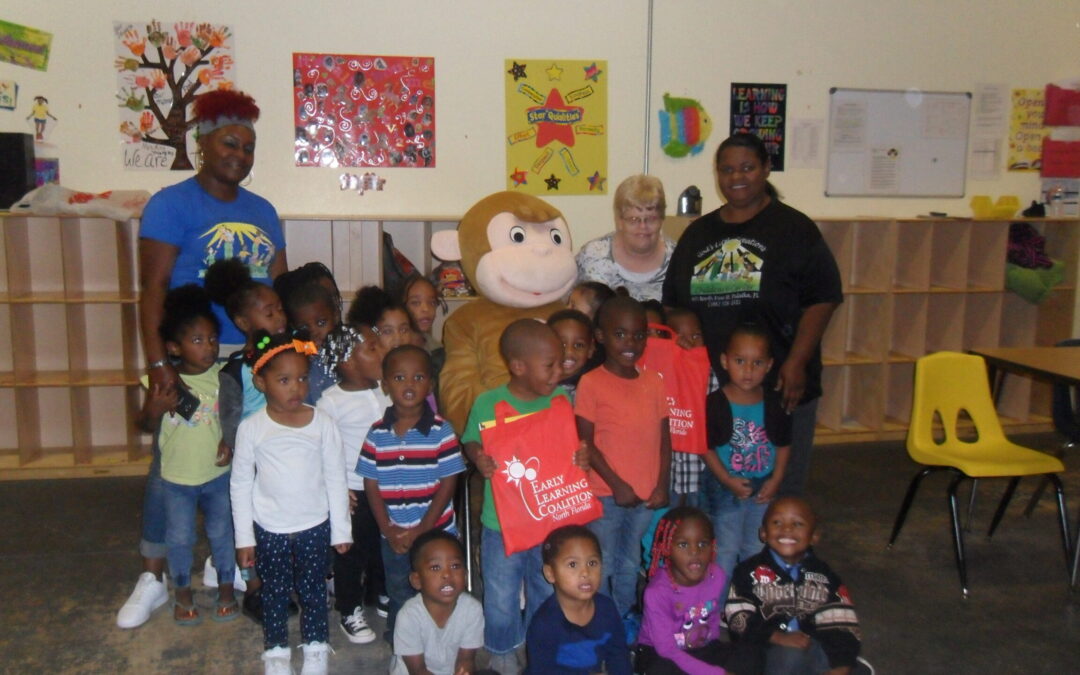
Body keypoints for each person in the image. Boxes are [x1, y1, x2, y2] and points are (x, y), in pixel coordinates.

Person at [124, 89, 287, 629]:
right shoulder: (171, 205)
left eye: (249, 145)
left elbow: (278, 288)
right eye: (230, 142)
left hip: (249, 362)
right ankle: (153, 577)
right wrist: (158, 367)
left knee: (249, 464)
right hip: (191, 361)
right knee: (171, 467)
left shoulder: (263, 211)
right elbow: (152, 291)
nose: (240, 153)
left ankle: (243, 564)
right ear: (202, 145)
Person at [662, 132, 842, 498]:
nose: (736, 177)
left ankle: (779, 554)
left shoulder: (795, 229)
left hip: (779, 383)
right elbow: (673, 301)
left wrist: (797, 362)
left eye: (747, 167)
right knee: (722, 489)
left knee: (780, 488)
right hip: (719, 390)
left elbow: (823, 298)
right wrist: (682, 320)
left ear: (766, 169)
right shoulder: (699, 234)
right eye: (726, 170)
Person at [461, 319, 589, 675]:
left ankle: (539, 643)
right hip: (501, 522)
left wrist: (582, 455)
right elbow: (471, 438)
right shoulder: (489, 402)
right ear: (518, 367)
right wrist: (478, 456)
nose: (559, 370)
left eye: (560, 361)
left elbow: (571, 446)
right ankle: (502, 647)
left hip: (550, 520)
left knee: (545, 588)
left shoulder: (561, 400)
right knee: (500, 595)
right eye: (550, 364)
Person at [231, 332, 351, 675]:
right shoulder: (252, 429)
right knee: (275, 592)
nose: (296, 388)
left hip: (315, 524)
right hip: (270, 528)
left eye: (301, 378)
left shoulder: (323, 423)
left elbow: (336, 478)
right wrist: (245, 539)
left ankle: (315, 648)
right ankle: (277, 651)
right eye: (284, 380)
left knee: (314, 590)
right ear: (261, 381)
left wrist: (341, 529)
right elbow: (240, 484)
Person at [136, 285, 236, 626]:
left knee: (223, 534)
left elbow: (233, 417)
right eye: (197, 340)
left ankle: (225, 590)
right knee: (179, 538)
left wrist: (229, 441)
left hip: (217, 476)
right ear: (174, 347)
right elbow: (145, 424)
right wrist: (157, 407)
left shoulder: (223, 376)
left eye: (212, 339)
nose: (208, 347)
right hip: (176, 480)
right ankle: (182, 594)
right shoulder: (164, 381)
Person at [359, 345, 466, 642]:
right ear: (385, 384)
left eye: (418, 377)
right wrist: (388, 529)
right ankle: (404, 644)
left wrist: (423, 529)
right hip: (394, 536)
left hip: (435, 534)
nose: (409, 384)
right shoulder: (377, 433)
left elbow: (448, 482)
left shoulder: (441, 431)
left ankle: (444, 639)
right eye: (399, 377)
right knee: (399, 589)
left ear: (430, 384)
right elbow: (371, 484)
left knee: (440, 587)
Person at [576, 296, 672, 622]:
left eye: (638, 335)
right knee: (600, 561)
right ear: (600, 337)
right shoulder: (591, 383)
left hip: (646, 497)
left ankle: (623, 619)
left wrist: (662, 485)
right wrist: (616, 484)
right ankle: (599, 622)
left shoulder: (654, 382)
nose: (630, 343)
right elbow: (586, 440)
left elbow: (664, 440)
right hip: (607, 494)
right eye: (620, 334)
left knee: (631, 560)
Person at [724, 497, 862, 675]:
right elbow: (738, 616)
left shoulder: (823, 575)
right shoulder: (747, 571)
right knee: (757, 660)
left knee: (844, 660)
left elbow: (842, 620)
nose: (787, 529)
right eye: (777, 522)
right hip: (764, 646)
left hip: (811, 646)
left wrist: (842, 665)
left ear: (814, 536)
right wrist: (776, 637)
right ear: (763, 533)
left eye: (798, 523)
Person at [316, 324, 389, 645]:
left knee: (384, 543)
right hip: (353, 490)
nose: (382, 352)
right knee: (351, 551)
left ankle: (381, 592)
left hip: (388, 485)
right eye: (372, 348)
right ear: (347, 362)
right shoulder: (331, 402)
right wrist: (337, 491)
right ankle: (349, 608)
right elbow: (320, 450)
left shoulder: (385, 389)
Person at [702, 323, 791, 582]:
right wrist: (726, 480)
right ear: (725, 361)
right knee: (726, 550)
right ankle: (718, 608)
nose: (748, 371)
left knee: (756, 546)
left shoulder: (774, 402)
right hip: (726, 487)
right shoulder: (716, 403)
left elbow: (784, 444)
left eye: (757, 363)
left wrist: (776, 479)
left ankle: (748, 601)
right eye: (740, 361)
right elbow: (705, 449)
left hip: (763, 486)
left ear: (769, 365)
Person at [524, 525, 632, 675]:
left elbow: (619, 655)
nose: (585, 573)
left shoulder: (607, 608)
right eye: (572, 564)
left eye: (592, 563)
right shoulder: (544, 624)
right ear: (550, 573)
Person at [637, 507, 729, 674]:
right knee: (661, 670)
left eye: (703, 543)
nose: (695, 552)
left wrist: (711, 661)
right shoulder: (657, 592)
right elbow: (666, 649)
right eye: (683, 544)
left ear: (713, 546)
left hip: (701, 645)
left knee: (745, 654)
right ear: (666, 549)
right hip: (660, 652)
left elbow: (713, 619)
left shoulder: (717, 575)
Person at [390, 530, 488, 675]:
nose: (447, 574)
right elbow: (417, 671)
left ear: (466, 575)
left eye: (455, 566)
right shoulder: (408, 616)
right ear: (417, 580)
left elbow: (466, 661)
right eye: (435, 567)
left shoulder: (472, 610)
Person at [576, 175, 674, 302]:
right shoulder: (592, 256)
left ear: (662, 220)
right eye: (633, 219)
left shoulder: (677, 259)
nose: (643, 227)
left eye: (651, 219)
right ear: (619, 221)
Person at [280, 280, 340, 404]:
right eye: (304, 328)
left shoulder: (346, 350)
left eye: (321, 323)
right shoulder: (297, 355)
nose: (314, 332)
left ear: (336, 316)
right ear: (294, 327)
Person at [547, 308, 598, 403]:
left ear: (590, 349)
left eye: (578, 345)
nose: (569, 352)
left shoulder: (588, 390)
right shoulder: (536, 377)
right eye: (561, 344)